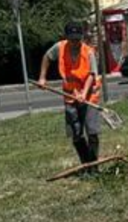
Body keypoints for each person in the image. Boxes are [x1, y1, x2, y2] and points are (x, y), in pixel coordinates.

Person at [37, 21, 103, 166]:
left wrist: (83, 94)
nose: (75, 42)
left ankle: (94, 165)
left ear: (82, 37)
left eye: (77, 39)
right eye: (72, 39)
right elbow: (47, 57)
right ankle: (86, 164)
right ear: (66, 37)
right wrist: (42, 77)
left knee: (92, 132)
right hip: (70, 96)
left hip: (89, 95)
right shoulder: (59, 48)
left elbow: (92, 75)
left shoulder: (89, 52)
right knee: (76, 134)